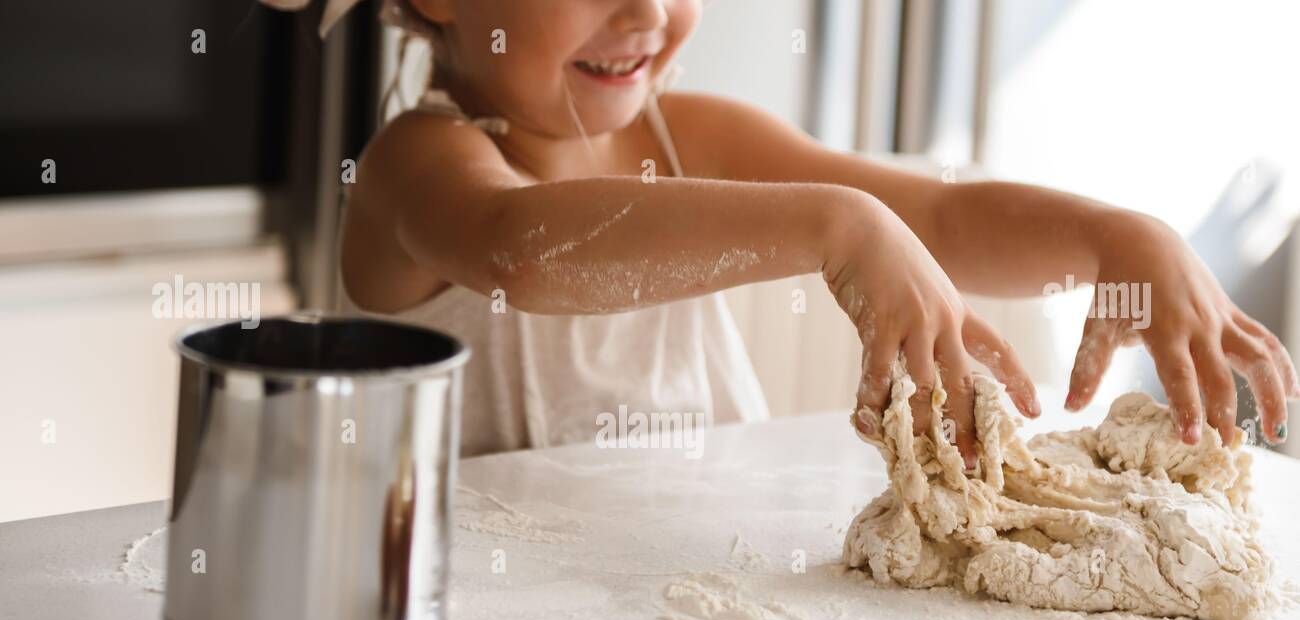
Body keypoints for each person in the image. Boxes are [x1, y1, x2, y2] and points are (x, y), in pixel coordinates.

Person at [264, 0, 1298, 460]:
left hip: (678, 602)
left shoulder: (691, 134)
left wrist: (1113, 238)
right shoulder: (417, 162)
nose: (645, 11)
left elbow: (933, 211)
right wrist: (831, 226)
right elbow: (518, 247)